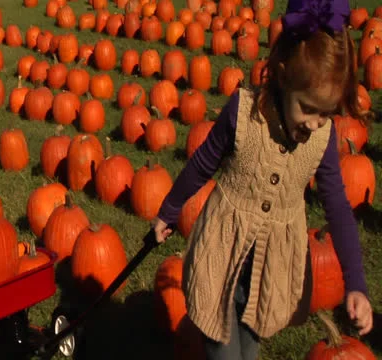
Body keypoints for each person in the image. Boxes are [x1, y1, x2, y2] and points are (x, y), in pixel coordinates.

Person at [152, 0, 374, 359]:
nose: (317, 122)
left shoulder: (323, 137)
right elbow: (203, 162)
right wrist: (170, 209)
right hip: (221, 255)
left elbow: (338, 207)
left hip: (270, 264)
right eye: (310, 109)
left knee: (249, 346)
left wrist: (356, 284)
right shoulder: (243, 112)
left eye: (327, 112)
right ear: (283, 76)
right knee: (223, 350)